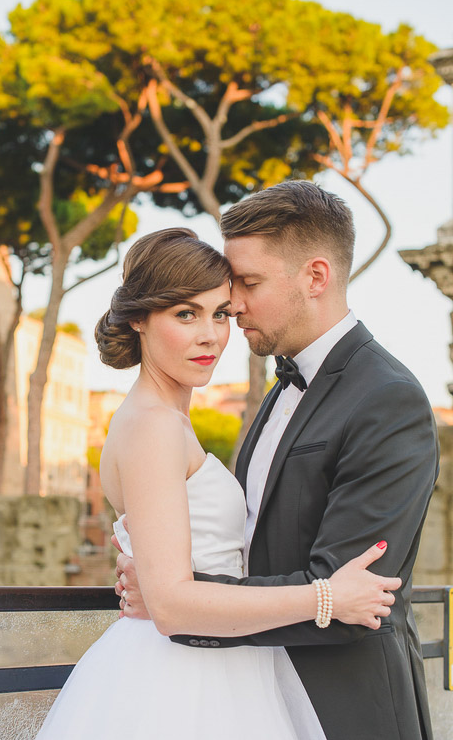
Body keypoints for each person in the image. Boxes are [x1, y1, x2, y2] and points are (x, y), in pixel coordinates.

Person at [34, 226, 401, 740]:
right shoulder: (153, 426)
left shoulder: (165, 419)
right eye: (186, 314)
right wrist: (328, 598)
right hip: (180, 679)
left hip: (222, 662)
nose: (211, 335)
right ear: (139, 318)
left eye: (221, 314)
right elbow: (172, 605)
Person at [116, 184, 440, 740]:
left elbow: (352, 597)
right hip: (248, 695)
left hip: (345, 705)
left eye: (249, 283)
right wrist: (170, 578)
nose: (233, 303)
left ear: (316, 277)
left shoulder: (389, 398)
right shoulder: (281, 387)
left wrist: (184, 600)